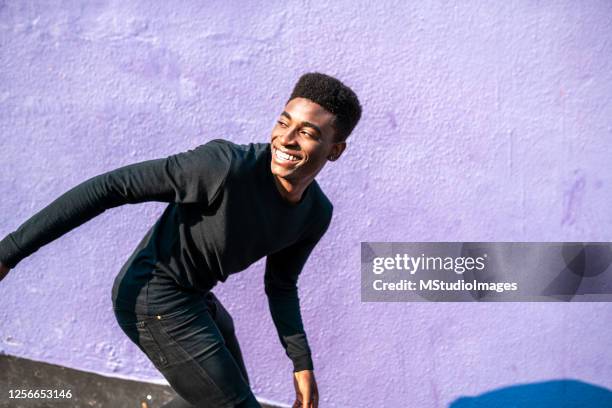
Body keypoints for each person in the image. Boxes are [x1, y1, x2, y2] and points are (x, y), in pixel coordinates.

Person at [0, 72, 362, 407]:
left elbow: (281, 285)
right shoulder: (223, 166)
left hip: (196, 298)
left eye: (308, 132)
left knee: (217, 396)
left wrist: (301, 363)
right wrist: (9, 252)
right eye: (283, 122)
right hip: (151, 297)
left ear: (335, 149)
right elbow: (111, 187)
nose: (285, 138)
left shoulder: (316, 213)